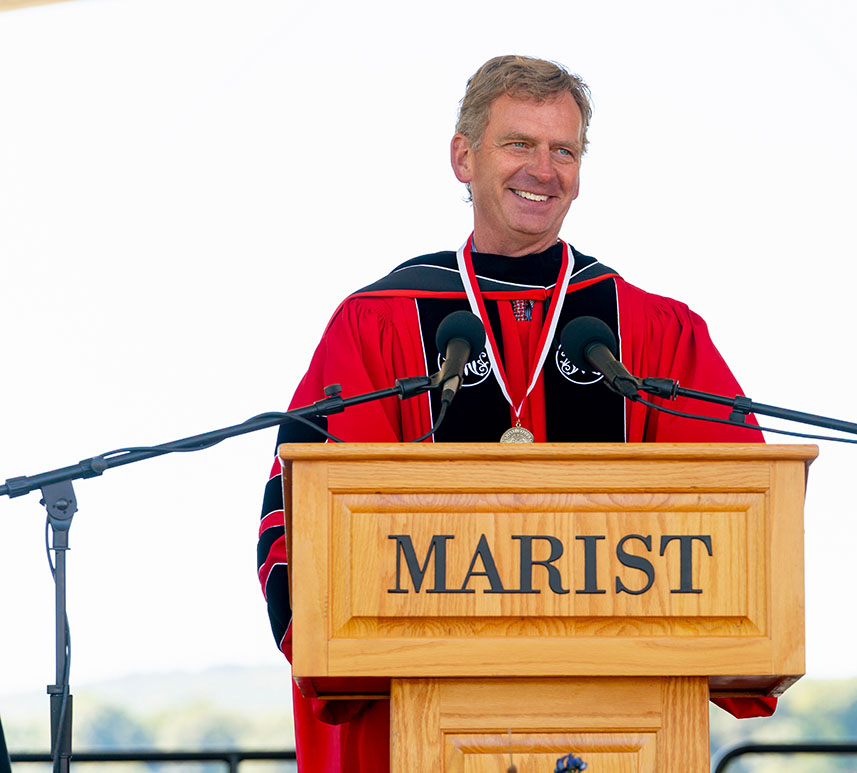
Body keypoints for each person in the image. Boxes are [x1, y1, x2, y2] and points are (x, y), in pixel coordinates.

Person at [257, 54, 773, 772]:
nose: (544, 168)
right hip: (418, 731)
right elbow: (302, 517)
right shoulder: (379, 324)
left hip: (620, 730)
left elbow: (744, 507)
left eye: (565, 150)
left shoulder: (646, 333)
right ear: (463, 158)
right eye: (519, 144)